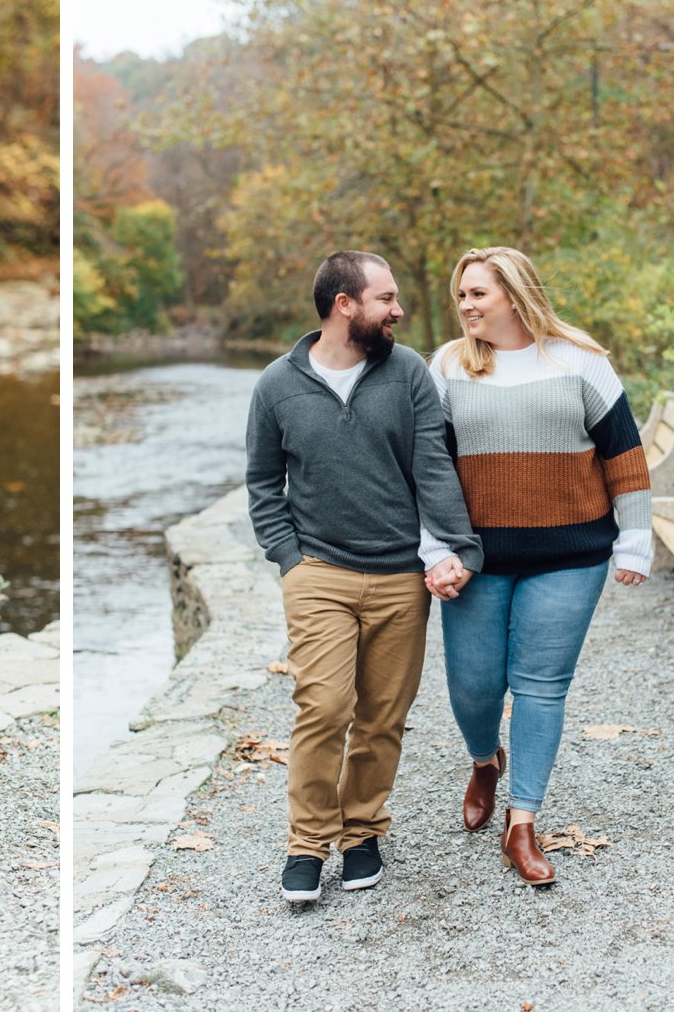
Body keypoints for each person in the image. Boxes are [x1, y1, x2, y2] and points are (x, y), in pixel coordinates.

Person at [246, 251, 482, 905]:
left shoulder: (407, 373)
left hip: (400, 577)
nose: (398, 310)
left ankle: (362, 832)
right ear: (344, 305)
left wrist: (456, 548)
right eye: (386, 298)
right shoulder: (276, 386)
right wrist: (288, 557)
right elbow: (264, 482)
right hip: (318, 571)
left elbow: (432, 465)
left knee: (383, 718)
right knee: (323, 708)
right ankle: (306, 843)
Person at [427, 246, 650, 887]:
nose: (465, 305)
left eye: (477, 294)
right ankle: (483, 760)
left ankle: (521, 823)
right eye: (461, 295)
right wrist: (437, 549)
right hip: (477, 559)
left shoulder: (581, 362)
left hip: (570, 557)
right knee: (472, 685)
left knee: (541, 686)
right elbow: (430, 469)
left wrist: (634, 539)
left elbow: (624, 458)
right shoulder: (448, 367)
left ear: (515, 294)